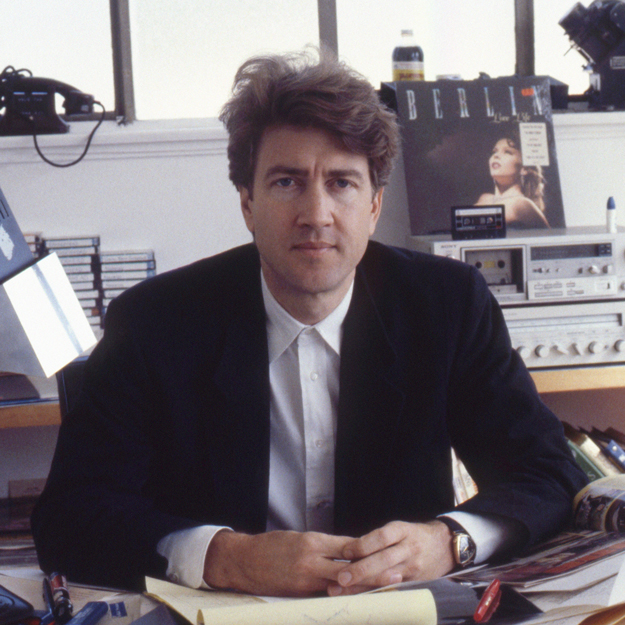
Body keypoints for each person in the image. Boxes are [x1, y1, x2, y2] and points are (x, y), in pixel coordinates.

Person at [32, 50, 587, 596]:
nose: (316, 215)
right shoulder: (154, 323)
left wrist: (450, 541)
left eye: (342, 183)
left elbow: (548, 474)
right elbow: (70, 518)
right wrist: (227, 558)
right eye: (286, 182)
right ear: (247, 204)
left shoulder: (448, 305)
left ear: (374, 206)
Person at [476, 131, 550, 228]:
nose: (496, 155)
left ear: (524, 169)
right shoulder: (485, 198)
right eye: (494, 151)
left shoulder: (522, 205)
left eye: (507, 152)